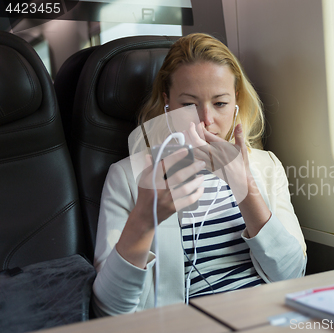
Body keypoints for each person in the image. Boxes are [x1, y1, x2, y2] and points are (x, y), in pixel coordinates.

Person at [92, 33, 307, 317]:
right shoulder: (128, 178)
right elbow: (110, 310)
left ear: (236, 102)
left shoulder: (266, 166)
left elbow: (294, 277)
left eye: (220, 103)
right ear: (167, 104)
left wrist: (245, 188)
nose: (206, 119)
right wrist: (144, 218)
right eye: (188, 105)